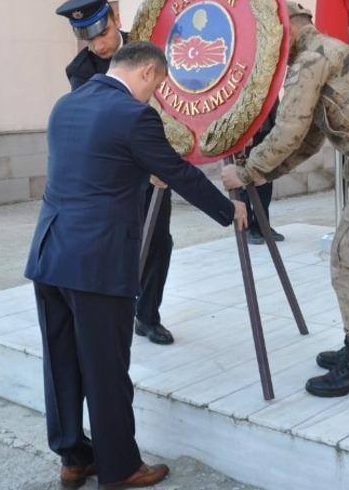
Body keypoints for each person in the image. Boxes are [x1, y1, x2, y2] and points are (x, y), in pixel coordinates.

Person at [25, 42, 247, 488]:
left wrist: (139, 169)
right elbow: (180, 172)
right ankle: (120, 466)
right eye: (158, 85)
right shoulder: (134, 115)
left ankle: (73, 456)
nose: (154, 95)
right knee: (106, 367)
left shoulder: (66, 104)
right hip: (97, 263)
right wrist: (229, 211)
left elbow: (92, 166)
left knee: (61, 363)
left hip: (50, 255)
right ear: (147, 72)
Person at [221, 1, 349, 399]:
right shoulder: (324, 53)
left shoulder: (310, 60)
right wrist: (262, 171)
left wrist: (247, 172)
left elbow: (286, 133)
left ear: (289, 30)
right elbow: (309, 139)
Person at [55, 0, 178, 345]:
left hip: (159, 164)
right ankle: (118, 308)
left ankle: (148, 315)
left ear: (116, 20)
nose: (98, 46)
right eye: (87, 39)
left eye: (103, 33)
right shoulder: (81, 71)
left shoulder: (149, 46)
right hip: (118, 174)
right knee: (117, 241)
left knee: (158, 240)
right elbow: (104, 127)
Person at [244, 106, 285, 246]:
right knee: (244, 183)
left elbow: (274, 101)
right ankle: (247, 228)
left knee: (266, 183)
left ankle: (263, 225)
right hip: (245, 134)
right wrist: (243, 132)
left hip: (266, 133)